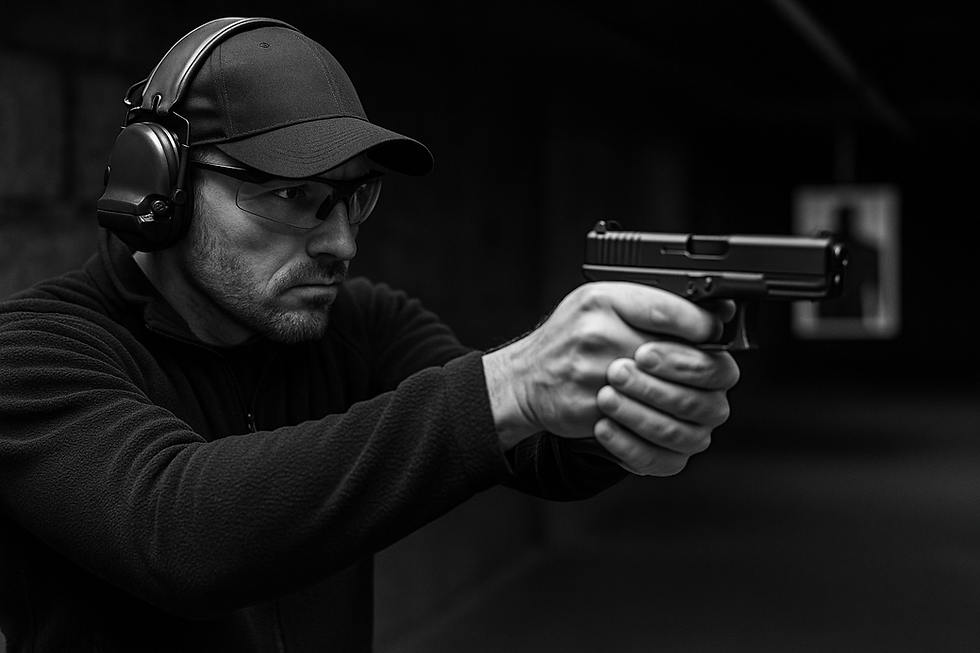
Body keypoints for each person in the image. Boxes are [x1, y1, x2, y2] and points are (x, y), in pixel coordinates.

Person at [0, 17, 739, 653]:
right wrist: (513, 382)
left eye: (357, 198)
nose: (342, 243)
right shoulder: (34, 353)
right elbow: (181, 532)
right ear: (161, 186)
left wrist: (629, 393)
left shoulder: (359, 323)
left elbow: (542, 453)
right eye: (294, 196)